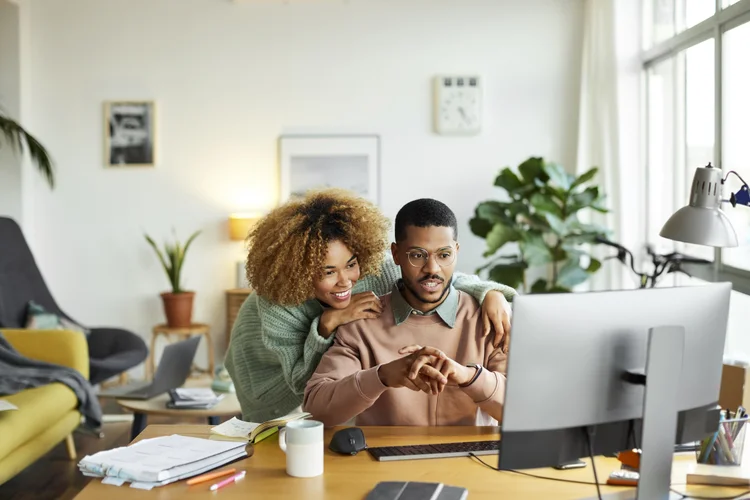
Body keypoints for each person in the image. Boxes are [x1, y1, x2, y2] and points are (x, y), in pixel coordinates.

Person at [224, 189, 516, 423]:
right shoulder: (279, 304)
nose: (345, 282)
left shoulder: (377, 273)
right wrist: (328, 326)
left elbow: (433, 278)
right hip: (267, 382)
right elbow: (306, 388)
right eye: (328, 271)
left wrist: (490, 292)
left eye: (350, 265)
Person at [303, 198, 506, 426]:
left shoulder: (490, 319)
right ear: (397, 254)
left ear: (456, 252)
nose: (432, 268)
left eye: (444, 255)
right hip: (384, 460)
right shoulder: (360, 324)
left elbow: (523, 409)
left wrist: (469, 377)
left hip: (473, 460)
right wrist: (382, 376)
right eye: (417, 255)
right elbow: (317, 411)